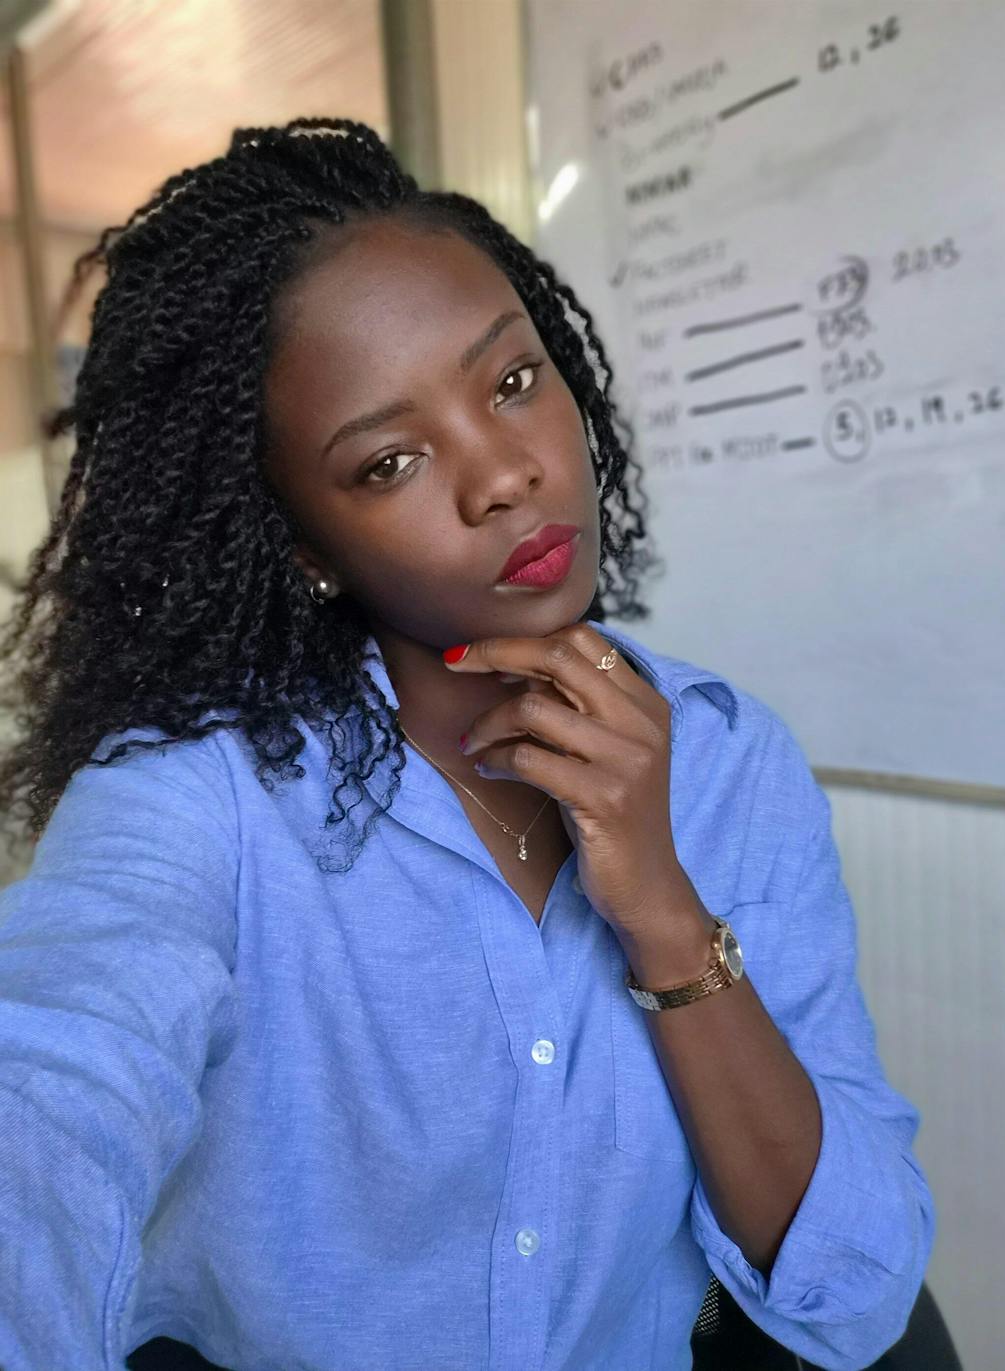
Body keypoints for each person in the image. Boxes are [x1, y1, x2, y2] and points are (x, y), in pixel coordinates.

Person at [0, 118, 933, 1371]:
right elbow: (48, 1087)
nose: (501, 476)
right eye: (389, 462)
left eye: (510, 383)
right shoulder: (193, 803)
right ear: (303, 545)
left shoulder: (731, 764)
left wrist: (661, 910)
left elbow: (854, 1295)